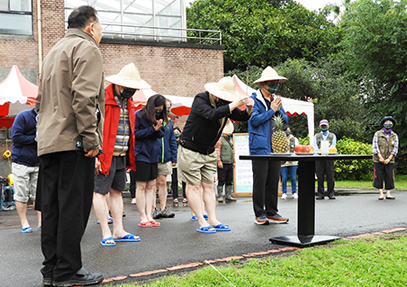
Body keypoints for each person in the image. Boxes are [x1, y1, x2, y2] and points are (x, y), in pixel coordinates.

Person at [34, 6, 104, 287]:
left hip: (49, 141)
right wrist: (90, 138)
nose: (102, 33)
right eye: (101, 27)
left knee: (52, 208)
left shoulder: (52, 52)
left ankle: (51, 271)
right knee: (73, 207)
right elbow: (84, 96)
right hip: (73, 140)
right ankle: (68, 271)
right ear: (90, 27)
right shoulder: (86, 48)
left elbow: (39, 102)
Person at [178, 76, 253, 233]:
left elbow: (242, 117)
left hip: (208, 150)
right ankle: (201, 221)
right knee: (194, 186)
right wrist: (233, 104)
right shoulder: (201, 98)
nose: (225, 101)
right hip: (191, 149)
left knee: (209, 186)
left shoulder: (225, 103)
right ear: (215, 94)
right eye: (223, 97)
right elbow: (211, 114)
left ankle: (212, 219)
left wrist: (248, 109)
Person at [93, 63, 148, 246]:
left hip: (121, 154)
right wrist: (94, 155)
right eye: (127, 87)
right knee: (100, 192)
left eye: (133, 88)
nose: (130, 91)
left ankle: (118, 230)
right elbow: (91, 127)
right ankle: (105, 232)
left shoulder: (129, 102)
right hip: (103, 154)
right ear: (117, 84)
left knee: (117, 192)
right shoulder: (101, 99)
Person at [248, 66, 289, 225]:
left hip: (275, 146)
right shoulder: (254, 99)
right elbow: (254, 121)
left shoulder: (276, 99)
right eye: (272, 83)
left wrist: (278, 110)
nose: (274, 86)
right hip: (259, 147)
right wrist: (271, 110)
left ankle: (272, 212)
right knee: (260, 180)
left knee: (273, 180)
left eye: (276, 83)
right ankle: (260, 213)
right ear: (263, 84)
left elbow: (285, 120)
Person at [134, 94, 166, 228]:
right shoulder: (138, 115)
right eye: (157, 109)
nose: (159, 111)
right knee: (141, 186)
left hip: (154, 154)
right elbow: (135, 134)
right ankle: (142, 217)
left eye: (161, 109)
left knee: (151, 186)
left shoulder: (159, 116)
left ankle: (149, 215)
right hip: (141, 154)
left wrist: (158, 128)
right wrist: (152, 129)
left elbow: (161, 134)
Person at [11, 108, 41, 233]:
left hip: (39, 161)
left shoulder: (48, 116)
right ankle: (24, 223)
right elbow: (16, 137)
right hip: (21, 162)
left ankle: (41, 222)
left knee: (39, 195)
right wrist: (35, 138)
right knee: (21, 195)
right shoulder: (23, 116)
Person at [152, 99, 177, 219]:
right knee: (151, 183)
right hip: (152, 156)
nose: (166, 110)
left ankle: (163, 208)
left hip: (165, 156)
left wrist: (174, 156)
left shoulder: (169, 122)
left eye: (168, 108)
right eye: (164, 107)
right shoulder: (151, 119)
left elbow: (172, 139)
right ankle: (152, 209)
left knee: (163, 182)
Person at [372, 116, 398, 200]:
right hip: (378, 159)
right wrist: (380, 157)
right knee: (379, 176)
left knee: (389, 176)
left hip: (390, 160)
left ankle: (388, 193)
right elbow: (375, 146)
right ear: (383, 124)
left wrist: (389, 158)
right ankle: (381, 194)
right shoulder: (378, 134)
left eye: (390, 123)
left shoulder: (394, 135)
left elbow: (395, 148)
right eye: (387, 123)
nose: (388, 124)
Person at [313, 119, 337, 200]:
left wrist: (327, 150)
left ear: (328, 126)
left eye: (325, 126)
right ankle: (320, 194)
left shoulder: (332, 135)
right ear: (320, 126)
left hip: (329, 157)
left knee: (330, 176)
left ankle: (331, 193)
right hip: (319, 157)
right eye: (322, 126)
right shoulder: (316, 136)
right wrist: (320, 152)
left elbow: (333, 146)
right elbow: (315, 147)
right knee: (320, 176)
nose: (324, 127)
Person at [215, 120, 236, 203]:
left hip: (229, 162)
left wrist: (234, 162)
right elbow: (217, 151)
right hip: (223, 162)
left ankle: (228, 195)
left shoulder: (230, 139)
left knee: (229, 179)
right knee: (221, 179)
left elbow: (233, 151)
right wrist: (218, 161)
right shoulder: (220, 139)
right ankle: (220, 195)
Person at [280, 125, 299, 199]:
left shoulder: (294, 139)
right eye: (286, 131)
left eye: (289, 131)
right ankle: (284, 192)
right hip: (284, 162)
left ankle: (294, 192)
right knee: (284, 178)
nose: (288, 132)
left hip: (293, 161)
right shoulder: (280, 139)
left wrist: (292, 158)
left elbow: (297, 149)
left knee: (293, 177)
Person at [171, 127, 187, 207]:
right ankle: (175, 196)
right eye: (174, 132)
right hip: (174, 164)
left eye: (177, 132)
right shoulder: (171, 142)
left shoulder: (182, 142)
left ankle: (185, 196)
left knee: (184, 180)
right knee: (174, 181)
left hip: (182, 163)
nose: (176, 133)